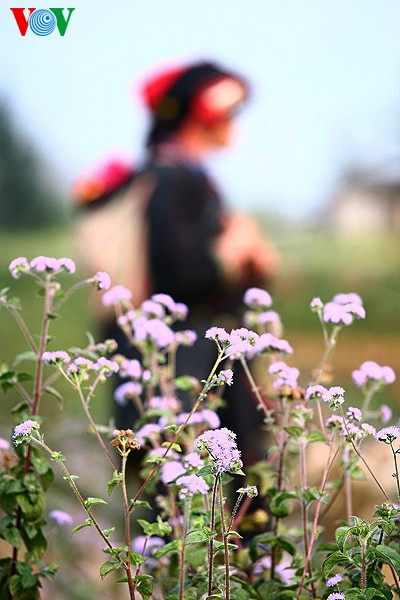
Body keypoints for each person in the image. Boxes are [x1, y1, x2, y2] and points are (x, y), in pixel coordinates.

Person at [74, 59, 280, 466]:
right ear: (204, 116)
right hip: (185, 373)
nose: (235, 124)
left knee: (182, 503)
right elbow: (181, 277)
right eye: (229, 114)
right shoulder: (174, 178)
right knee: (188, 505)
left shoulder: (173, 174)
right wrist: (236, 250)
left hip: (173, 369)